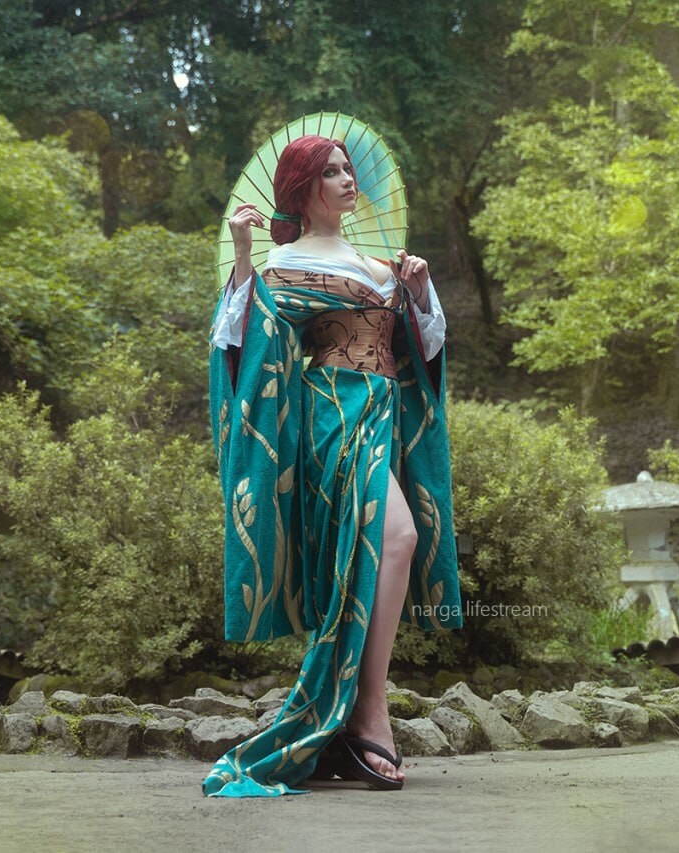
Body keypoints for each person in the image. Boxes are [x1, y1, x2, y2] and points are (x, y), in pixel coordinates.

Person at [204, 133, 461, 798]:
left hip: (383, 413)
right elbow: (240, 340)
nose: (349, 180)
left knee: (378, 550)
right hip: (331, 414)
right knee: (397, 536)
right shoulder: (283, 263)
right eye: (332, 172)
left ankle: (350, 715)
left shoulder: (381, 264)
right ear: (303, 188)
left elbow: (425, 348)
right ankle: (369, 711)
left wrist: (419, 292)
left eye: (348, 169)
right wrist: (242, 253)